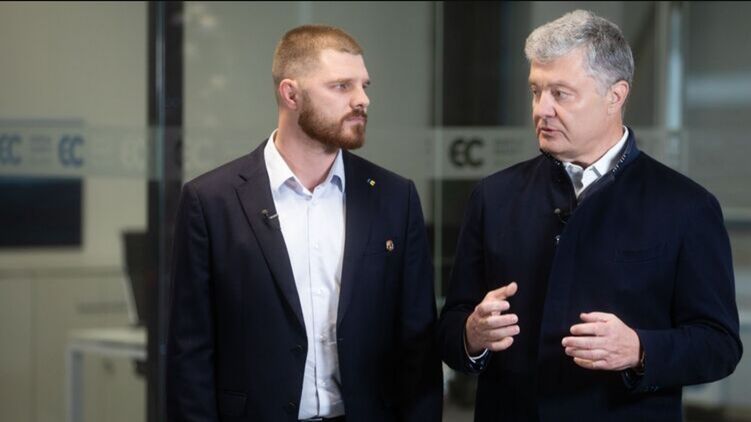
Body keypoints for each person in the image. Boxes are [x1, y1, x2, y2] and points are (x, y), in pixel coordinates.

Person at [438, 9, 742, 421]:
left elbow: (719, 345)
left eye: (560, 94)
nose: (542, 109)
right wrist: (472, 334)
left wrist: (639, 349)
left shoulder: (687, 206)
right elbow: (451, 328)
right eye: (535, 91)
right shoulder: (493, 196)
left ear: (615, 96)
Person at [167, 24, 442, 422]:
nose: (362, 99)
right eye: (341, 86)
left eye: (364, 86)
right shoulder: (211, 201)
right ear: (291, 94)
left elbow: (418, 346)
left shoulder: (395, 198)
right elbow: (189, 353)